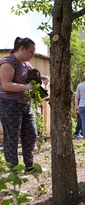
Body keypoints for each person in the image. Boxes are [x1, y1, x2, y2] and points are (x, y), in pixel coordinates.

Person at [0, 37, 37, 173]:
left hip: (25, 105)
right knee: (12, 137)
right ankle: (13, 170)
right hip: (9, 104)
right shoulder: (8, 63)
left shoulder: (27, 66)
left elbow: (34, 82)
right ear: (22, 49)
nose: (32, 55)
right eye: (31, 52)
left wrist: (39, 88)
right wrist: (26, 87)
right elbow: (6, 85)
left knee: (31, 133)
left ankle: (29, 165)